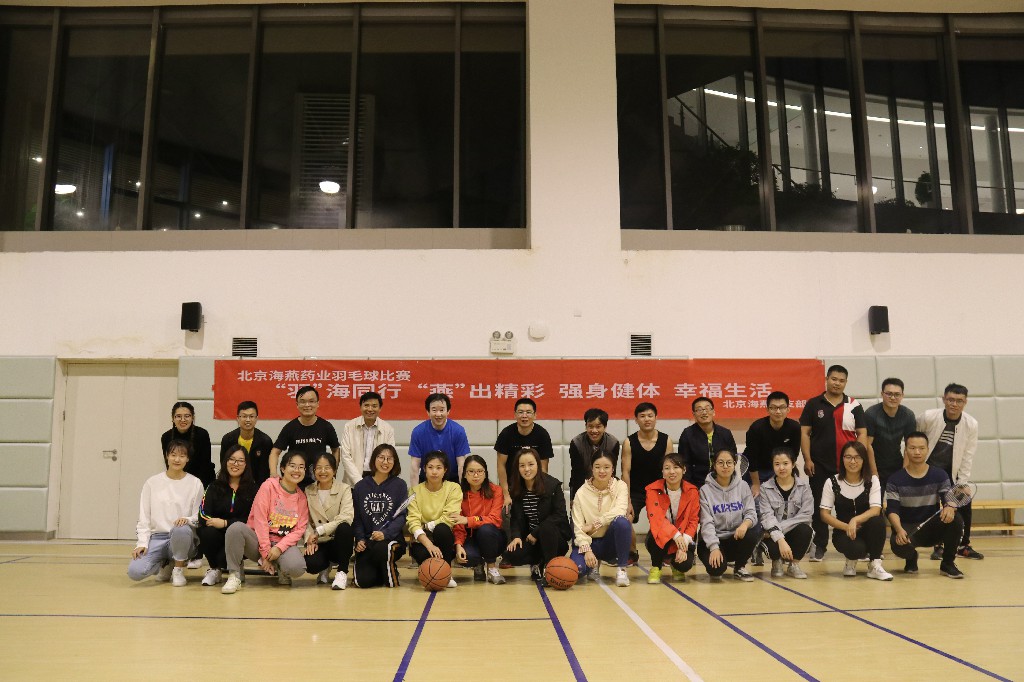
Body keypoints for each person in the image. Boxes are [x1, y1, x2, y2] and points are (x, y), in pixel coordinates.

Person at [800, 364, 871, 562]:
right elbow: (804, 433)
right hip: (819, 465)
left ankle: (857, 545)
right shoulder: (813, 404)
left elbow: (862, 433)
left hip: (848, 467)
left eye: (841, 380)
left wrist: (858, 459)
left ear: (846, 382)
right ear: (826, 379)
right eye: (833, 379)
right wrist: (807, 459)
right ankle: (820, 546)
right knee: (820, 507)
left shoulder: (854, 405)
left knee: (850, 506)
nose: (837, 383)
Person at [221, 451, 309, 594]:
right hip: (258, 541)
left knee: (297, 568)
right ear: (283, 468)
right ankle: (234, 575)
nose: (296, 470)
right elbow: (260, 521)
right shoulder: (268, 486)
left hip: (282, 545)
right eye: (292, 466)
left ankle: (282, 569)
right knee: (235, 529)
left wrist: (278, 548)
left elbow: (299, 530)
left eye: (301, 467)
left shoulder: (302, 498)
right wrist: (265, 553)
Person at [886, 432, 966, 578]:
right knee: (899, 546)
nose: (917, 452)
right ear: (906, 450)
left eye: (921, 448)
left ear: (928, 450)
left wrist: (950, 507)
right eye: (912, 448)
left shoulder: (940, 475)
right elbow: (892, 509)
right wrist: (898, 530)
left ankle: (948, 563)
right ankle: (911, 558)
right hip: (907, 528)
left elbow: (948, 499)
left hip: (931, 526)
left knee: (956, 519)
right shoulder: (895, 479)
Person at [917, 383, 982, 561]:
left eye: (959, 401)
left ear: (965, 402)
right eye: (951, 399)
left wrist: (962, 483)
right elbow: (915, 441)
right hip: (927, 472)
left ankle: (963, 545)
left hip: (950, 474)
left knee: (965, 501)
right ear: (944, 399)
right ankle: (937, 545)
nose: (954, 404)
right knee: (933, 507)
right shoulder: (928, 417)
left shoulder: (971, 424)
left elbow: (968, 455)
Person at [128, 439, 204, 586]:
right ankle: (166, 563)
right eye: (173, 455)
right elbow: (144, 517)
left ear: (188, 459)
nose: (177, 459)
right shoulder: (152, 483)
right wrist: (142, 543)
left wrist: (187, 520)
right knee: (135, 572)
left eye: (182, 456)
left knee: (180, 529)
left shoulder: (195, 483)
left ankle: (178, 569)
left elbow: (198, 517)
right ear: (166, 456)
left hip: (183, 537)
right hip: (157, 538)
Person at [819, 441, 892, 581]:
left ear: (864, 460)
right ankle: (850, 561)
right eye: (848, 457)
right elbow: (824, 515)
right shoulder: (832, 482)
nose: (853, 461)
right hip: (843, 532)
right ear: (842, 459)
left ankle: (875, 565)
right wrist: (847, 526)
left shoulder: (872, 480)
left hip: (868, 529)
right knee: (856, 550)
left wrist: (855, 520)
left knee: (878, 521)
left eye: (857, 457)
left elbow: (876, 509)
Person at [505, 448, 571, 583]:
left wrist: (536, 532)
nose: (526, 469)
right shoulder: (517, 488)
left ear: (538, 465)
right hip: (532, 539)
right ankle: (538, 562)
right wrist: (516, 536)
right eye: (522, 465)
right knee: (512, 555)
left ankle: (549, 569)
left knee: (546, 526)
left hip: (554, 539)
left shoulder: (552, 485)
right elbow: (515, 518)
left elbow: (559, 515)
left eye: (531, 464)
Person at [197, 444, 258, 586]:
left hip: (239, 536)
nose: (235, 464)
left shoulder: (254, 489)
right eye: (232, 459)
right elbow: (203, 514)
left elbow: (254, 519)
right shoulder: (214, 486)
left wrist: (226, 523)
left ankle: (235, 565)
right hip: (217, 535)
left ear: (246, 464)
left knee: (231, 543)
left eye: (240, 461)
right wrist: (215, 523)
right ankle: (215, 570)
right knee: (206, 532)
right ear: (226, 461)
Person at [570, 451, 632, 586]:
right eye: (597, 467)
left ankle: (622, 569)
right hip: (590, 543)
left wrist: (596, 524)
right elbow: (578, 526)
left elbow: (620, 510)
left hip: (609, 543)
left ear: (613, 469)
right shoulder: (581, 493)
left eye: (606, 467)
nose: (602, 471)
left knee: (622, 522)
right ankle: (592, 565)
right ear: (592, 468)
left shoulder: (620, 486)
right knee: (576, 570)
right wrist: (587, 550)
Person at [622, 402, 673, 564]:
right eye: (642, 416)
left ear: (656, 418)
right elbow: (625, 472)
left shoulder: (666, 440)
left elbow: (670, 470)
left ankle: (663, 550)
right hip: (636, 490)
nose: (647, 419)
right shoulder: (629, 442)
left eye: (650, 416)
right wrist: (627, 500)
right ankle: (631, 552)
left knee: (666, 519)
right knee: (625, 518)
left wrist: (669, 495)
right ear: (636, 420)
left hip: (658, 490)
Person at [697, 449, 760, 582]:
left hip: (735, 538)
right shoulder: (705, 490)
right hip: (712, 541)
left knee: (753, 530)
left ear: (734, 464)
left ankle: (740, 567)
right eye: (720, 463)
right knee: (716, 571)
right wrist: (714, 547)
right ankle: (719, 560)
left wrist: (744, 525)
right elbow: (706, 522)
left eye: (729, 462)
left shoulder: (743, 486)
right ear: (714, 466)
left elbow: (751, 513)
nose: (725, 466)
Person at [352, 444, 409, 588]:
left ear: (395, 462)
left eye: (390, 459)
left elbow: (401, 516)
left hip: (391, 540)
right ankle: (379, 569)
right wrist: (360, 539)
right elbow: (357, 518)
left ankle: (390, 571)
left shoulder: (400, 485)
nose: (385, 462)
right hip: (368, 541)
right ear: (373, 460)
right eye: (381, 457)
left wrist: (385, 533)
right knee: (363, 582)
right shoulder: (360, 486)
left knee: (382, 550)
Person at [407, 451, 463, 588]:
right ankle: (433, 573)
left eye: (439, 468)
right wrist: (429, 544)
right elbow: (413, 521)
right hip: (423, 540)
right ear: (424, 469)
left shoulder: (453, 488)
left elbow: (450, 517)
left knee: (441, 528)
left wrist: (427, 525)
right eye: (430, 467)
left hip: (445, 538)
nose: (434, 472)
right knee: (424, 555)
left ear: (445, 470)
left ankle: (447, 573)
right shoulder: (414, 491)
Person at [757, 448, 813, 579]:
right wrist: (780, 539)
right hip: (773, 535)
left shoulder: (804, 487)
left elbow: (806, 515)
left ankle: (794, 565)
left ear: (793, 464)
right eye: (777, 464)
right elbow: (767, 517)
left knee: (806, 530)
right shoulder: (765, 488)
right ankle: (776, 562)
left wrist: (779, 529)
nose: (781, 468)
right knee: (773, 546)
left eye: (785, 463)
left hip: (782, 531)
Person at [645, 452, 699, 584]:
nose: (672, 472)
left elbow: (693, 520)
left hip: (684, 535)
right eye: (667, 468)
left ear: (684, 470)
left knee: (685, 565)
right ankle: (656, 567)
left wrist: (683, 543)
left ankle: (676, 566)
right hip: (663, 534)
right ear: (662, 472)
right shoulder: (652, 490)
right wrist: (676, 535)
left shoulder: (692, 491)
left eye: (676, 467)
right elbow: (656, 519)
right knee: (655, 536)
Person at [303, 453, 355, 590]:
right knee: (311, 564)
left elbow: (346, 516)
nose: (323, 471)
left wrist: (319, 530)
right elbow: (305, 520)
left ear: (334, 470)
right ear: (314, 470)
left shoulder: (344, 488)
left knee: (345, 527)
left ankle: (342, 572)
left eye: (327, 467)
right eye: (319, 468)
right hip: (319, 542)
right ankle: (325, 567)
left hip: (338, 541)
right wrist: (309, 539)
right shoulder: (308, 490)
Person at [269, 386, 340, 485]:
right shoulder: (290, 427)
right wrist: (273, 473)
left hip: (318, 481)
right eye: (303, 402)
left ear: (318, 403)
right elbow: (275, 451)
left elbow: (336, 450)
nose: (307, 405)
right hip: (295, 480)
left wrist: (333, 472)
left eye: (311, 401)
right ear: (297, 404)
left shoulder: (326, 427)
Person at [453, 455, 506, 584]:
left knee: (485, 529)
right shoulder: (458, 493)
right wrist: (458, 545)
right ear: (464, 474)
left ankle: (492, 568)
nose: (476, 475)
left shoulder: (496, 490)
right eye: (471, 471)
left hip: (493, 536)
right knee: (467, 557)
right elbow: (458, 524)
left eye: (480, 471)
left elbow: (495, 519)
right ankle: (478, 564)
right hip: (471, 537)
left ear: (485, 473)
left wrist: (468, 520)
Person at [495, 398, 554, 510]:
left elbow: (543, 468)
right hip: (512, 485)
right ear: (515, 415)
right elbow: (501, 465)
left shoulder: (542, 435)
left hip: (534, 486)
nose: (524, 416)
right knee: (507, 514)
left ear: (535, 415)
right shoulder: (506, 434)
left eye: (528, 412)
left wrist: (538, 491)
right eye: (520, 412)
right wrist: (506, 494)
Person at [744, 391, 801, 498]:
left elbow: (794, 455)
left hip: (781, 467)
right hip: (759, 470)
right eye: (774, 408)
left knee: (791, 497)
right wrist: (756, 484)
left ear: (788, 409)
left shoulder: (795, 427)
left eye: (782, 407)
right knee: (757, 500)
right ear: (767, 409)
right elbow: (752, 459)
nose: (778, 411)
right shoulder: (756, 428)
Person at [864, 378, 917, 494]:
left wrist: (904, 472)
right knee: (875, 500)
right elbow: (868, 445)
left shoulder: (908, 415)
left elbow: (910, 446)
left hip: (896, 464)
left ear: (902, 395)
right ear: (882, 394)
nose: (893, 398)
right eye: (889, 394)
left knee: (899, 500)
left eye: (897, 394)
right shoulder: (871, 414)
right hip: (874, 465)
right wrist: (874, 472)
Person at [408, 393, 471, 484]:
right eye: (434, 410)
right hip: (426, 480)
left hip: (452, 480)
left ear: (448, 411)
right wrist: (414, 491)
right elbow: (414, 466)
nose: (438, 414)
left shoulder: (458, 431)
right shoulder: (418, 432)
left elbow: (461, 465)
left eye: (442, 410)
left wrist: (462, 490)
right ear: (428, 412)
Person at [339, 391, 396, 486]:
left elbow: (389, 456)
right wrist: (359, 482)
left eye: (374, 406)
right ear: (360, 407)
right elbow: (345, 456)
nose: (370, 409)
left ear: (380, 408)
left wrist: (378, 479)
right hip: (353, 480)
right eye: (366, 405)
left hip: (379, 480)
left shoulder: (388, 429)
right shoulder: (349, 426)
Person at [679, 397, 737, 488]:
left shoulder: (725, 433)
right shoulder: (687, 434)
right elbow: (684, 463)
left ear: (713, 412)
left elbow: (733, 458)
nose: (704, 412)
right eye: (699, 410)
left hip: (723, 482)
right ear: (694, 414)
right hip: (697, 483)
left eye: (707, 408)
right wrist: (690, 487)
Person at [568, 408, 621, 501]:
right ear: (586, 426)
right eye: (590, 426)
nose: (594, 430)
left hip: (606, 487)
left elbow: (611, 472)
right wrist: (575, 499)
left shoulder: (613, 443)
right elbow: (577, 473)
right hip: (583, 486)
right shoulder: (576, 443)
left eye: (598, 427)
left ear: (605, 427)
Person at [219, 400, 274, 486]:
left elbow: (265, 471)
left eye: (251, 416)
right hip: (232, 484)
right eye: (244, 416)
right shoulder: (228, 439)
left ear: (256, 418)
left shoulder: (265, 441)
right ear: (238, 418)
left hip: (257, 486)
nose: (248, 420)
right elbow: (224, 466)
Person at [160, 401, 214, 488]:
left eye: (187, 416)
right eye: (178, 416)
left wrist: (197, 487)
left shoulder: (202, 434)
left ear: (193, 417)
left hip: (201, 482)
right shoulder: (166, 437)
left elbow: (205, 465)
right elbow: (170, 465)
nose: (183, 420)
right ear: (173, 418)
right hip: (177, 482)